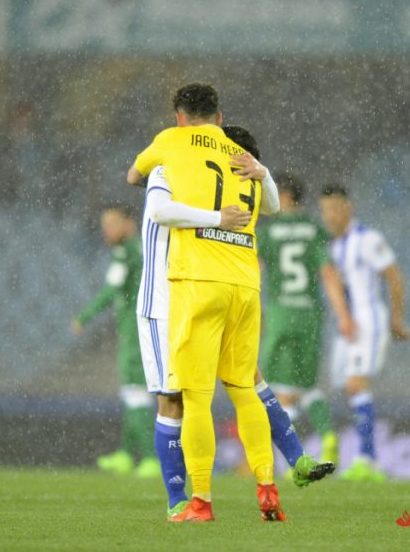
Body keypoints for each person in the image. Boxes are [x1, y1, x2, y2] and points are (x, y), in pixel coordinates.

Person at [130, 127, 334, 518]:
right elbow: (156, 202)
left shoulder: (216, 179)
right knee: (192, 395)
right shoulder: (169, 170)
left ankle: (212, 494)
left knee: (219, 389)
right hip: (171, 298)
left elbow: (263, 206)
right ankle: (186, 498)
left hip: (200, 290)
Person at [128, 83, 284, 522]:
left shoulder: (173, 148)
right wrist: (263, 171)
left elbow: (137, 180)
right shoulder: (243, 165)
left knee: (192, 399)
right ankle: (268, 486)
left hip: (195, 285)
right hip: (246, 287)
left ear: (179, 117)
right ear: (219, 117)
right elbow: (271, 205)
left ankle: (198, 501)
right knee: (244, 391)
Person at [255, 172, 355, 467]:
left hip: (279, 315)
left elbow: (254, 272)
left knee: (273, 387)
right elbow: (327, 273)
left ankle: (289, 457)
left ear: (285, 196)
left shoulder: (268, 231)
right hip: (309, 316)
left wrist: (253, 312)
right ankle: (327, 435)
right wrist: (344, 316)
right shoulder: (314, 229)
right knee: (307, 384)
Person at [319, 183, 409, 482]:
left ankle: (367, 459)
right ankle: (365, 456)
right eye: (324, 210)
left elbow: (394, 277)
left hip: (369, 320)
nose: (329, 216)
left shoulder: (367, 239)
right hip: (347, 324)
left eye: (334, 209)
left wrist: (396, 320)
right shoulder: (332, 246)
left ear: (348, 208)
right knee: (346, 386)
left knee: (356, 383)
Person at [72, 207, 159, 478]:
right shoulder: (142, 250)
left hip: (136, 333)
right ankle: (126, 452)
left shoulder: (127, 252)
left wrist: (84, 317)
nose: (106, 230)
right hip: (141, 328)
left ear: (129, 223)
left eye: (112, 223)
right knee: (132, 395)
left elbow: (111, 289)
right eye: (104, 223)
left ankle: (151, 458)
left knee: (136, 394)